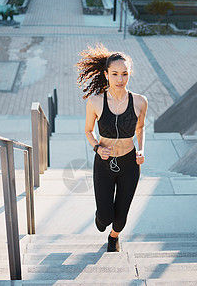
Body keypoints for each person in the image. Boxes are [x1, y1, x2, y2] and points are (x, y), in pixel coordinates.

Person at [76, 43, 148, 252]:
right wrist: (97, 148)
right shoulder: (96, 102)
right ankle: (102, 219)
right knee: (105, 217)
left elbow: (140, 128)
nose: (120, 79)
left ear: (129, 75)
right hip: (104, 165)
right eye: (115, 74)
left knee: (121, 218)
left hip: (129, 164)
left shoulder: (140, 102)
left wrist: (141, 149)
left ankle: (114, 237)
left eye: (124, 74)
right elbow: (88, 131)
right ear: (106, 74)